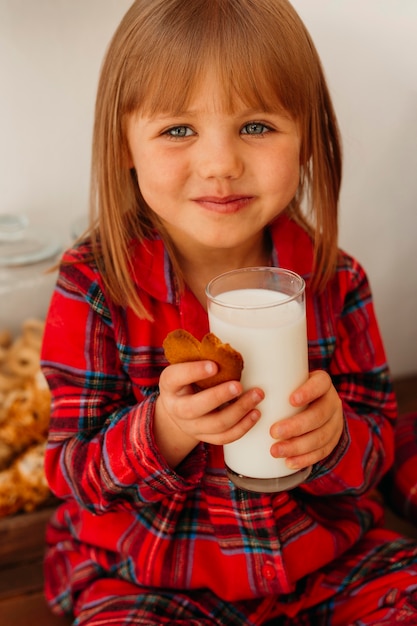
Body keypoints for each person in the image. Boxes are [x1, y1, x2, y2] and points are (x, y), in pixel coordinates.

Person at [40, 1, 417, 624]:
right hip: (154, 580)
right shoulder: (94, 287)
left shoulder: (335, 281)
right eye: (178, 130)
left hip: (324, 564)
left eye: (257, 126)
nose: (220, 164)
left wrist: (336, 437)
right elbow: (72, 472)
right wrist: (166, 428)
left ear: (307, 139)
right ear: (125, 145)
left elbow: (373, 450)